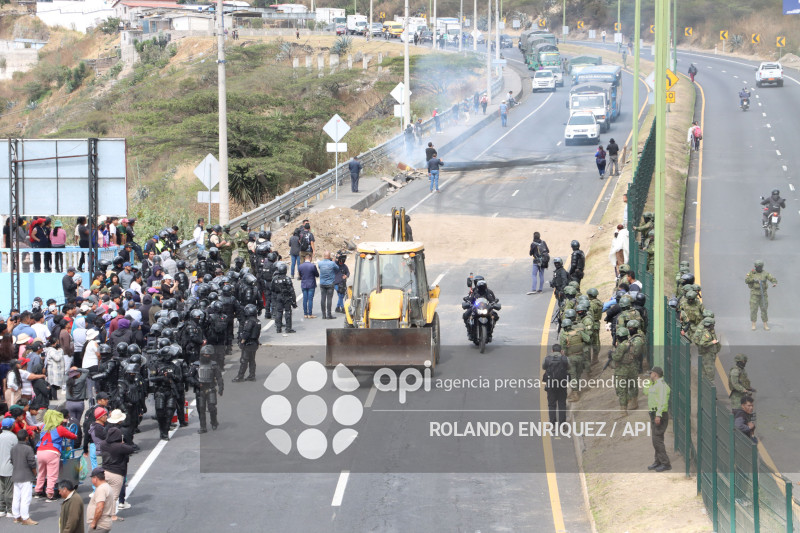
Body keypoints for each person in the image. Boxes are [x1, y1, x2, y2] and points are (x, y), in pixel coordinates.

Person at [35, 409, 78, 501]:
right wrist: (75, 436)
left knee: (41, 472)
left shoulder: (43, 426)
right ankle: (50, 494)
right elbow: (72, 436)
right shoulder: (59, 428)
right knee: (52, 474)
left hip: (40, 451)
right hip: (52, 452)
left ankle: (38, 491)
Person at [190, 345, 224, 433]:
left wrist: (221, 388)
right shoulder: (196, 365)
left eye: (208, 354)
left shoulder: (214, 365)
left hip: (210, 388)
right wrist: (197, 383)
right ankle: (203, 427)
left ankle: (214, 422)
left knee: (212, 407)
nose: (206, 356)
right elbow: (189, 377)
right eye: (205, 354)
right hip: (200, 390)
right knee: (201, 409)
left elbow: (219, 377)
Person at [643, 366, 671, 472]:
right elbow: (646, 392)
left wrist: (658, 415)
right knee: (656, 439)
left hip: (659, 415)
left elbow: (662, 401)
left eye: (651, 374)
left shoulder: (662, 386)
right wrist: (647, 381)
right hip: (654, 414)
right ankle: (658, 461)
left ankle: (665, 463)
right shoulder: (655, 385)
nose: (650, 375)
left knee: (657, 440)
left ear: (655, 374)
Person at [10, 428, 37, 525]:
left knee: (16, 497)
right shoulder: (28, 449)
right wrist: (35, 473)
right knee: (26, 498)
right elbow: (32, 464)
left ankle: (16, 516)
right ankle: (25, 518)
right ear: (26, 438)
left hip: (16, 475)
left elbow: (12, 461)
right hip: (26, 476)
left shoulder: (13, 448)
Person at [745, 259, 777, 331]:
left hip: (763, 294)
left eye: (760, 267)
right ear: (755, 267)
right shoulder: (751, 273)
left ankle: (765, 324)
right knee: (753, 310)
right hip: (754, 294)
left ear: (762, 266)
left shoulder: (765, 273)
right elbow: (746, 280)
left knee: (764, 309)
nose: (758, 268)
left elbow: (771, 278)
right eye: (757, 267)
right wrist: (753, 279)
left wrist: (774, 282)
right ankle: (753, 324)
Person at [542, 344, 569, 425]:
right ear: (561, 351)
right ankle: (563, 425)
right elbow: (569, 367)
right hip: (562, 384)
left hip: (550, 385)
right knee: (562, 404)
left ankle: (553, 424)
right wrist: (563, 356)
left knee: (551, 405)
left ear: (552, 350)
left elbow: (544, 367)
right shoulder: (564, 358)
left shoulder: (547, 359)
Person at [232, 304, 260, 383]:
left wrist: (242, 342)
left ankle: (240, 376)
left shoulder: (249, 322)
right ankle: (252, 376)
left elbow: (246, 333)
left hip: (248, 343)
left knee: (244, 360)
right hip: (255, 343)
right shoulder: (257, 321)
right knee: (252, 360)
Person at [86, 468, 113, 532]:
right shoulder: (107, 486)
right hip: (104, 524)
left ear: (95, 478)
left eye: (92, 478)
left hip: (100, 525)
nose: (91, 481)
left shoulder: (101, 489)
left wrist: (94, 523)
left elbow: (100, 508)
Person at [0, 417, 16, 518]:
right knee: (9, 490)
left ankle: (1, 509)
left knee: (1, 489)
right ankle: (10, 510)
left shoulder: (0, 436)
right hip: (9, 467)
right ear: (11, 426)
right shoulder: (13, 437)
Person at [317, 252, 339, 320]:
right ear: (329, 256)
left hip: (322, 283)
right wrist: (332, 261)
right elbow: (337, 268)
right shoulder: (332, 263)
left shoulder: (320, 263)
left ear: (324, 256)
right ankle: (329, 314)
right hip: (330, 283)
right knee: (329, 299)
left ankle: (323, 315)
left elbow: (320, 268)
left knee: (323, 299)